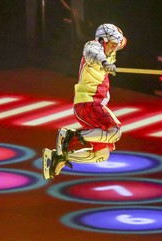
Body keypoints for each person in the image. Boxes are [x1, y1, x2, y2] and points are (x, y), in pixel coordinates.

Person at [42, 23, 127, 179]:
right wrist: (105, 63)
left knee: (101, 155)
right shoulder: (93, 47)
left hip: (94, 106)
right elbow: (94, 54)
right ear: (103, 40)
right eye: (112, 45)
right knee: (114, 131)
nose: (114, 48)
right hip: (89, 104)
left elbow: (122, 42)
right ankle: (69, 136)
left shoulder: (110, 50)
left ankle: (59, 157)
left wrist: (117, 44)